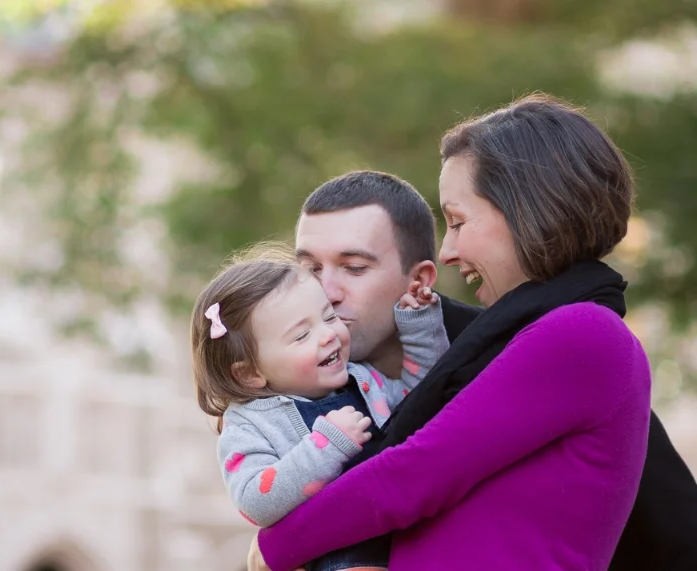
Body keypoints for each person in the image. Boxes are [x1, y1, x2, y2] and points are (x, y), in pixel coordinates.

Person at [247, 94, 697, 571]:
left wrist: (273, 547)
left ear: (527, 211)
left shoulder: (580, 333)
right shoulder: (523, 336)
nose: (449, 251)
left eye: (458, 222)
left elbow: (414, 475)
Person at [190, 244, 449, 571]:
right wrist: (325, 446)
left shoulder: (362, 380)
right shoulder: (249, 424)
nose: (328, 334)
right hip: (341, 555)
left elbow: (426, 399)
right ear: (250, 372)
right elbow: (255, 501)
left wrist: (421, 326)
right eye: (301, 336)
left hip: (408, 532)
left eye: (329, 317)